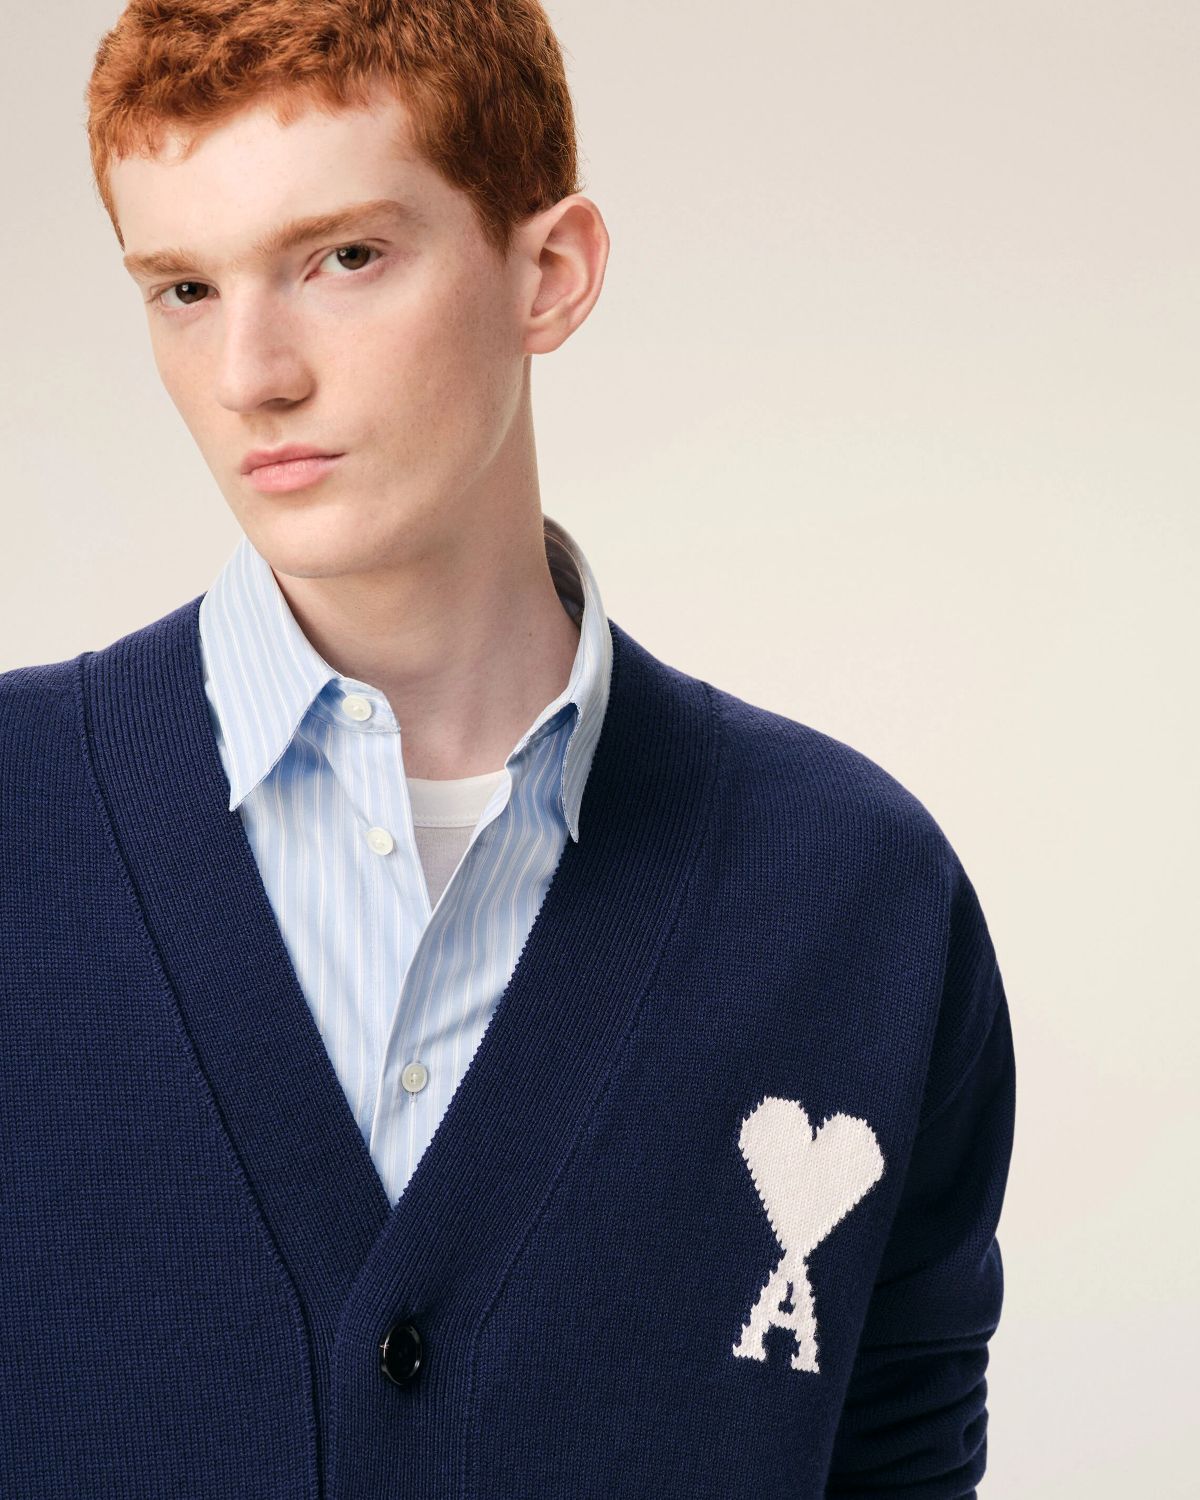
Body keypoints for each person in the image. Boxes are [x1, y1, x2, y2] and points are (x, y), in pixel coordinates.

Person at [0, 2, 1017, 1496]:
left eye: (342, 258)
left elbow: (896, 1450)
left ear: (551, 273)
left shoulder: (858, 897)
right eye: (183, 288)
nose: (251, 374)